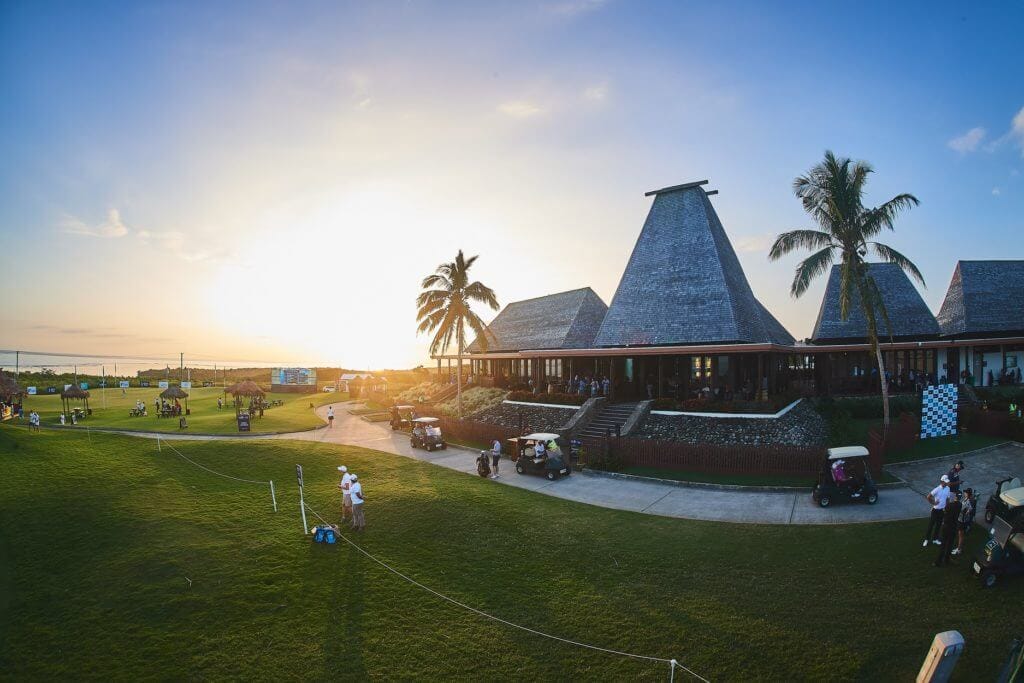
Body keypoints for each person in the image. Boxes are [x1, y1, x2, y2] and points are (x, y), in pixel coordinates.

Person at [934, 491, 963, 567]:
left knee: (943, 544)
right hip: (953, 527)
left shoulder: (949, 505)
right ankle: (947, 559)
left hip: (946, 526)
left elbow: (944, 511)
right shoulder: (960, 505)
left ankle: (938, 561)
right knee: (950, 544)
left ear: (955, 497)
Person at [923, 475, 951, 547]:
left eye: (947, 482)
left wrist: (947, 508)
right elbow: (928, 496)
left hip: (942, 510)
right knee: (931, 525)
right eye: (945, 482)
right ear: (942, 481)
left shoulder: (948, 488)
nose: (947, 483)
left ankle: (935, 539)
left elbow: (948, 499)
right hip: (935, 510)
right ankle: (926, 539)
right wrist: (934, 503)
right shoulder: (937, 489)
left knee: (938, 525)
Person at [953, 488, 976, 556]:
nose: (964, 493)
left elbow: (969, 509)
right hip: (962, 520)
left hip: (962, 521)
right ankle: (958, 548)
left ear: (968, 494)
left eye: (965, 492)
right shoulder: (966, 499)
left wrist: (965, 512)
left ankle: (959, 549)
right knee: (960, 535)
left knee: (961, 536)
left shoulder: (968, 501)